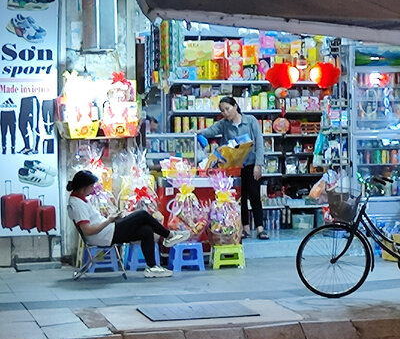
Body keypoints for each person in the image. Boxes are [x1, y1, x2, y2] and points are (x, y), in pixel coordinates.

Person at [67, 170, 187, 277]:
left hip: (107, 230)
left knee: (146, 230)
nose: (93, 189)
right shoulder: (77, 204)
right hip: (104, 235)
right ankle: (169, 236)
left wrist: (111, 218)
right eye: (91, 186)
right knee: (142, 214)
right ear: (84, 187)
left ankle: (152, 267)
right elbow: (87, 230)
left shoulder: (80, 199)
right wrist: (109, 220)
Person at [198, 96, 268, 240]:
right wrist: (195, 132)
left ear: (235, 106)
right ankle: (244, 227)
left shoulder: (251, 121)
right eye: (222, 110)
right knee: (238, 197)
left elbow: (259, 143)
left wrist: (258, 164)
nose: (225, 113)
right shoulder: (223, 124)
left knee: (254, 195)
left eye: (227, 109)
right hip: (233, 167)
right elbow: (210, 131)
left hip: (250, 163)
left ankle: (260, 228)